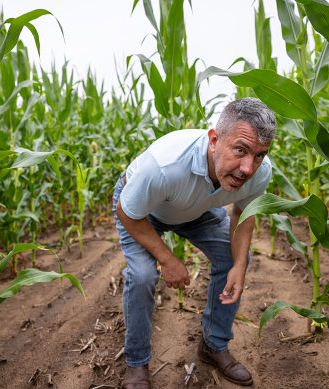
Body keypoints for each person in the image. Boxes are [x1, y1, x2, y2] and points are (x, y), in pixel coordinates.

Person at [112, 97, 276, 388]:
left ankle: (213, 345)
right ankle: (136, 364)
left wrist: (239, 265)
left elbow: (243, 214)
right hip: (143, 210)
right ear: (214, 140)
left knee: (234, 260)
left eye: (260, 154)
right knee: (142, 275)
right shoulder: (164, 166)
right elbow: (128, 212)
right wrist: (168, 259)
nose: (248, 168)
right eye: (240, 150)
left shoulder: (259, 173)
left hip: (197, 209)